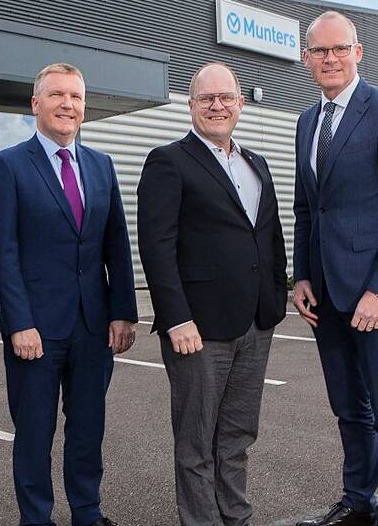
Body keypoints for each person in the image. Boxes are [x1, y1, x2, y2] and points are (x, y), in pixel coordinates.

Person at [0, 62, 138, 526]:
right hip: (36, 329)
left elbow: (116, 244)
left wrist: (123, 312)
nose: (67, 104)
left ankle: (88, 513)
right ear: (36, 104)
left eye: (75, 97)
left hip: (93, 326)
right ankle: (36, 518)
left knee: (88, 429)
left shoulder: (100, 164)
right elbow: (2, 253)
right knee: (35, 432)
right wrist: (19, 321)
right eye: (56, 95)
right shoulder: (8, 165)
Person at [291, 11, 378, 526]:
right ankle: (357, 502)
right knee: (349, 408)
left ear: (358, 52)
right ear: (306, 58)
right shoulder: (308, 120)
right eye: (319, 51)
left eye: (339, 49)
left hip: (375, 297)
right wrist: (303, 276)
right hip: (326, 296)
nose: (329, 59)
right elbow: (309, 207)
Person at [137, 62, 288, 526]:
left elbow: (269, 234)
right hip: (198, 327)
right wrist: (176, 316)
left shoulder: (255, 163)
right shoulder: (169, 161)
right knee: (197, 442)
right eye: (207, 99)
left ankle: (236, 517)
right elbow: (155, 245)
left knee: (239, 434)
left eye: (226, 98)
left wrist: (279, 294)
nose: (217, 106)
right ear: (191, 105)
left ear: (241, 104)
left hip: (255, 320)